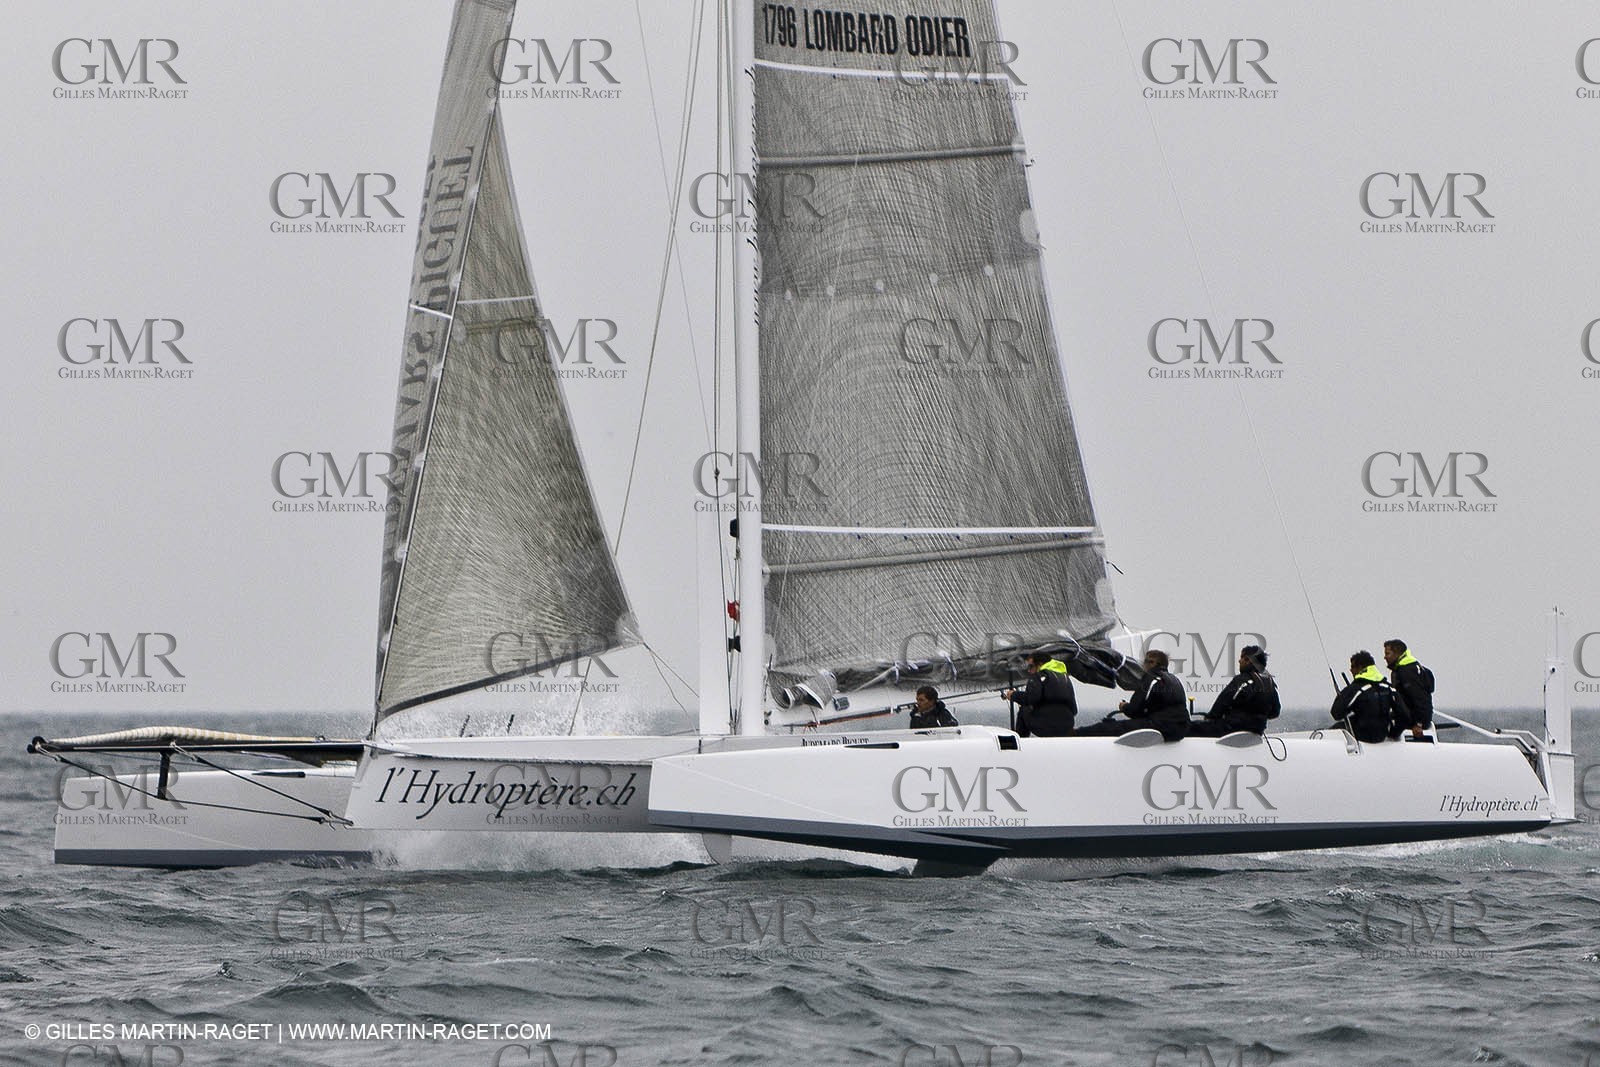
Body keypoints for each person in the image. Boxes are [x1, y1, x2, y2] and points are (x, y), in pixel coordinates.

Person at [1076, 649, 1189, 741]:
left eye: (1146, 662)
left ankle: (1075, 734)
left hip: (1161, 727)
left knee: (1106, 727)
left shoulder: (1151, 678)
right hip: (1180, 728)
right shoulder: (1175, 679)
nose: (1143, 665)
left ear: (1152, 664)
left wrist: (1124, 706)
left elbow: (1135, 710)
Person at [1190, 645, 1280, 737]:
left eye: (1242, 657)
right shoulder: (1270, 683)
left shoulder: (1243, 680)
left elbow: (1223, 702)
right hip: (1257, 731)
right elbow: (1275, 712)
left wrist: (1210, 717)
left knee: (1189, 727)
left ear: (1248, 660)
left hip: (1232, 729)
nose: (1239, 661)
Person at [1330, 651, 1404, 743]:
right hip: (1382, 735)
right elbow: (1404, 715)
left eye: (1352, 667)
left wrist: (1341, 697)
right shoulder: (1388, 687)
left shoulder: (1356, 688)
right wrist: (1393, 733)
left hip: (1362, 736)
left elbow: (1336, 713)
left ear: (1360, 667)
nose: (1351, 670)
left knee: (1336, 728)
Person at [1002, 652, 1077, 736]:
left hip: (1047, 726)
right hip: (1067, 727)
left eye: (1030, 666)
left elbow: (1031, 699)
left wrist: (1014, 695)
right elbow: (1074, 710)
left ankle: (1021, 740)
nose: (1029, 670)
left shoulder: (1038, 676)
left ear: (1040, 664)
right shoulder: (1065, 677)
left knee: (1024, 709)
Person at [1383, 639, 1434, 739]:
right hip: (1412, 715)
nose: (1385, 657)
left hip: (1414, 720)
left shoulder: (1406, 671)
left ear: (1397, 653)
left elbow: (1419, 697)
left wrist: (1419, 723)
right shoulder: (1413, 667)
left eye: (1387, 654)